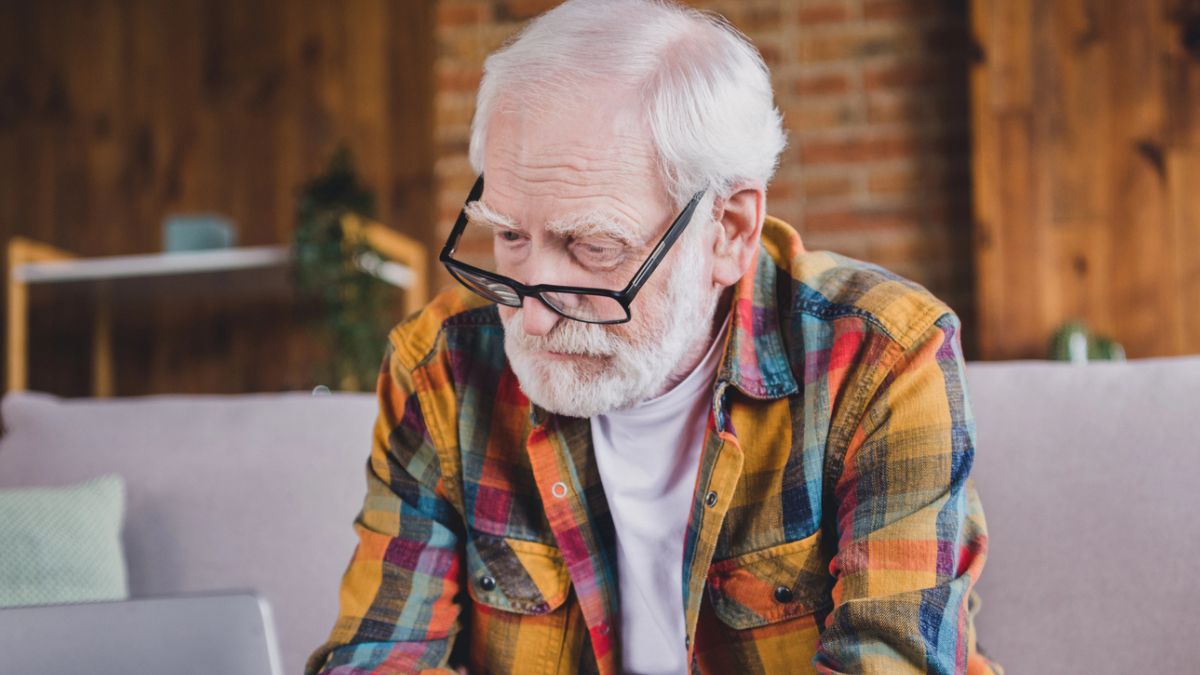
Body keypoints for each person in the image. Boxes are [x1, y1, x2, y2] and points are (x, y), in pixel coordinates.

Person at [306, 1, 998, 673]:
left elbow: (891, 662)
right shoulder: (441, 366)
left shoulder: (882, 359)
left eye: (593, 248)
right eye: (511, 235)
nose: (534, 317)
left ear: (728, 231)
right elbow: (379, 655)